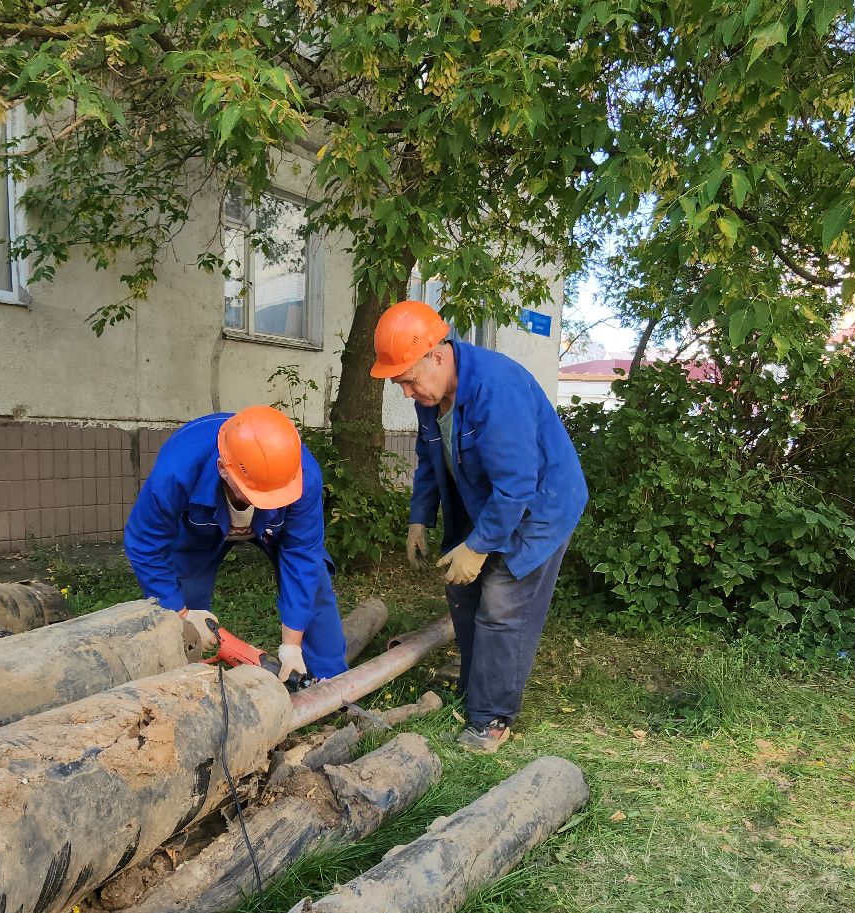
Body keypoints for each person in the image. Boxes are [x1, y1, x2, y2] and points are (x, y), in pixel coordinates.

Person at [370, 300, 587, 752]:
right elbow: (430, 460)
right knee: (462, 591)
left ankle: (491, 718)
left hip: (538, 506)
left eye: (408, 380)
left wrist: (481, 546)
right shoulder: (431, 395)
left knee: (503, 603)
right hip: (484, 498)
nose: (407, 393)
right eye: (399, 384)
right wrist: (419, 518)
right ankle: (475, 686)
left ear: (436, 353)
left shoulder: (496, 388)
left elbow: (516, 485)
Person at [123, 405, 348, 682]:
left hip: (272, 528)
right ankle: (183, 686)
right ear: (223, 469)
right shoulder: (176, 473)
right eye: (257, 492)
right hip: (201, 527)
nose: (267, 500)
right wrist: (181, 612)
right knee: (182, 605)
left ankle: (331, 681)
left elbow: (302, 554)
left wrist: (291, 646)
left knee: (314, 585)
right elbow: (145, 543)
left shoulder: (301, 474)